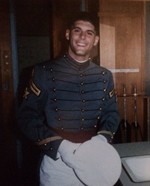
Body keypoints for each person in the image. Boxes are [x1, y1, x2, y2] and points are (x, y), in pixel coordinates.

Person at [18, 12, 121, 186]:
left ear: (95, 40)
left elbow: (112, 114)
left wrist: (101, 140)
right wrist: (60, 146)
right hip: (57, 160)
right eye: (77, 30)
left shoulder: (104, 76)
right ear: (67, 34)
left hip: (94, 156)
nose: (82, 37)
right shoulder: (43, 72)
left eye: (89, 33)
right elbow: (26, 117)